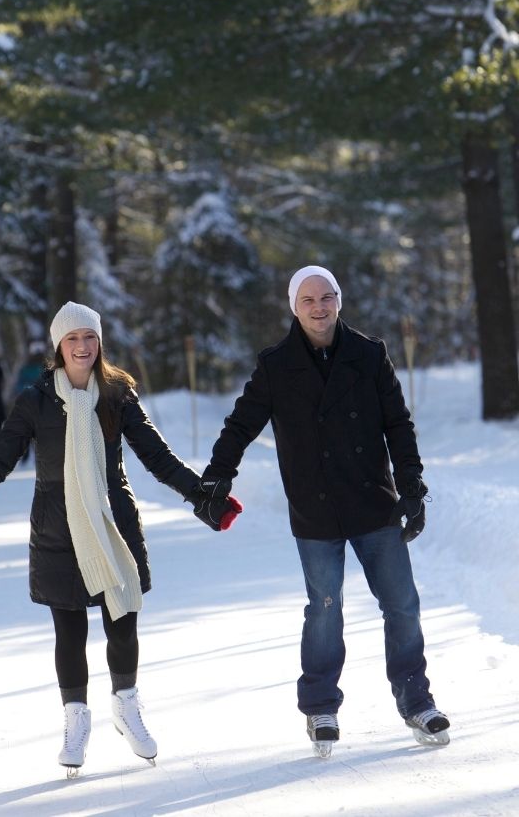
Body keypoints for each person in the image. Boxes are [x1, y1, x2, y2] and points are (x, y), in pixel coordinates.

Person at [0, 301, 242, 775]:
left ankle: (126, 705)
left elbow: (157, 456)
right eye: (72, 339)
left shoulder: (117, 395)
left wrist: (204, 499)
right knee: (69, 631)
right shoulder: (34, 401)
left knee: (123, 622)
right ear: (59, 346)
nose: (82, 346)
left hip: (113, 521)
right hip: (59, 526)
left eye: (89, 338)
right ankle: (76, 720)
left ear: (99, 343)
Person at [191, 265, 450, 756]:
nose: (319, 306)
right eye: (309, 299)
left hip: (374, 501)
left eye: (327, 296)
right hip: (316, 508)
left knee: (402, 605)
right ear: (294, 305)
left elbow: (398, 423)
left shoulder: (370, 355)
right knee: (325, 609)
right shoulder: (276, 366)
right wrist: (219, 473)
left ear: (339, 300)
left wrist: (413, 485)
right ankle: (320, 707)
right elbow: (241, 422)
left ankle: (417, 701)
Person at [11, 341, 47, 462]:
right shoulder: (41, 368)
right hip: (38, 403)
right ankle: (32, 453)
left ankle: (30, 453)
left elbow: (19, 386)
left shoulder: (28, 368)